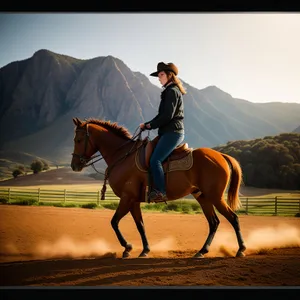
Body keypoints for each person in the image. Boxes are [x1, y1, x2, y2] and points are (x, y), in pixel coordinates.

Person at [140, 62, 186, 202]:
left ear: (169, 75)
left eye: (161, 75)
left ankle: (161, 192)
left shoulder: (171, 91)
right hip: (168, 132)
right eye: (158, 75)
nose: (159, 78)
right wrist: (148, 124)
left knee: (155, 160)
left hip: (173, 132)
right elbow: (162, 116)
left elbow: (167, 116)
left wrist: (149, 126)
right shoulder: (170, 90)